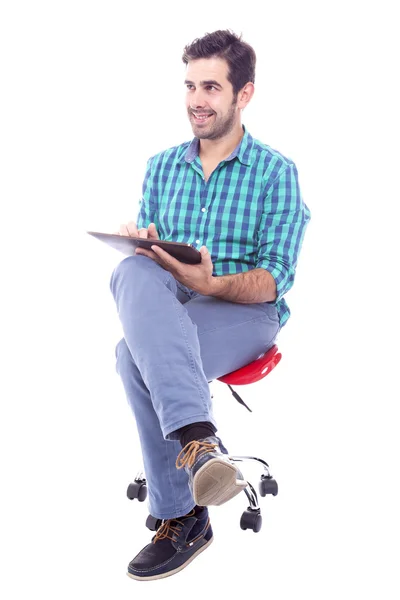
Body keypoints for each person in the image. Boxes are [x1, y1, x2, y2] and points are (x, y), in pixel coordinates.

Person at [109, 29, 311, 581]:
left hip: (245, 315)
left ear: (243, 94)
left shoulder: (275, 173)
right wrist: (145, 245)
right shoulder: (163, 165)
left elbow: (276, 279)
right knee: (131, 267)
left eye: (212, 87)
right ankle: (199, 443)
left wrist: (213, 282)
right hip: (173, 304)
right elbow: (152, 271)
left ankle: (180, 516)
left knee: (133, 357)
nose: (197, 99)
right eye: (191, 86)